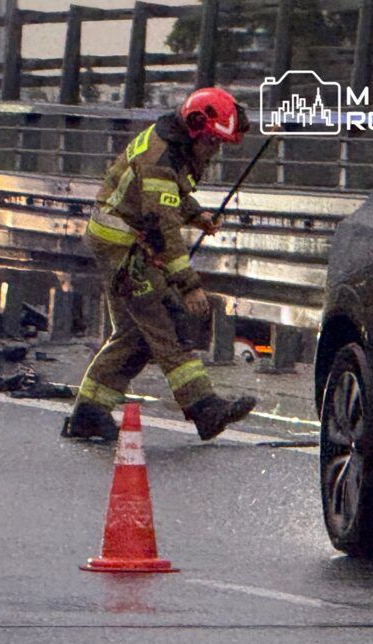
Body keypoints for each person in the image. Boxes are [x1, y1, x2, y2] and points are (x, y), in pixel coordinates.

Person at [62, 87, 257, 443]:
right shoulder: (161, 158)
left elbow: (166, 199)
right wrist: (189, 285)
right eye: (212, 142)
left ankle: (89, 412)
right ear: (196, 128)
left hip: (123, 241)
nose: (214, 151)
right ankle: (204, 407)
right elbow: (163, 226)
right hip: (125, 247)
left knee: (134, 335)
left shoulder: (172, 143)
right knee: (166, 320)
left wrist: (196, 214)